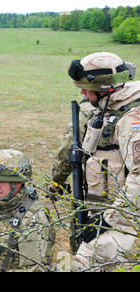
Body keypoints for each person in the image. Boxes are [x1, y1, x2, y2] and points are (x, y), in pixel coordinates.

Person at [50, 52, 139, 271]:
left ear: (105, 88)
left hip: (117, 218)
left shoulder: (130, 118)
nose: (81, 92)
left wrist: (107, 220)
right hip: (94, 207)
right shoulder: (97, 108)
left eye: (85, 87)